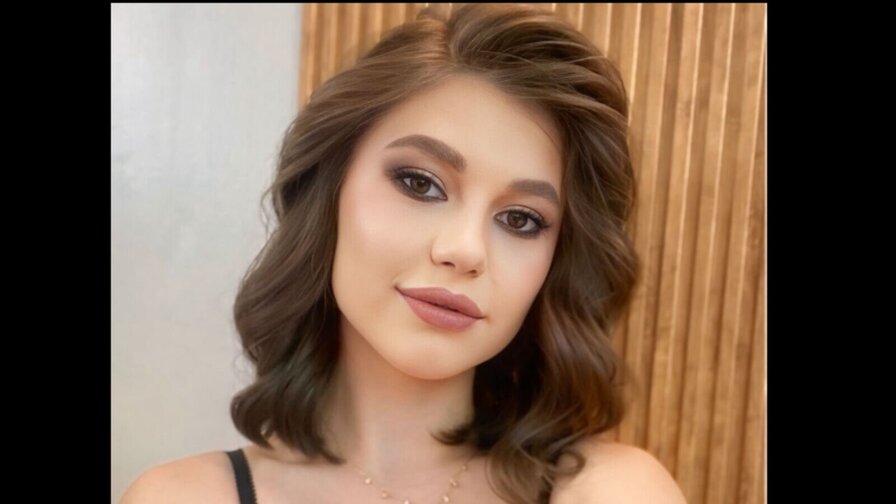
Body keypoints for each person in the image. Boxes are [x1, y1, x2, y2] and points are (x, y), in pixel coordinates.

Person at [120, 3, 688, 503]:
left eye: (521, 220)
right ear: (330, 189)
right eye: (421, 184)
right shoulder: (184, 497)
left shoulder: (611, 491)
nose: (464, 250)